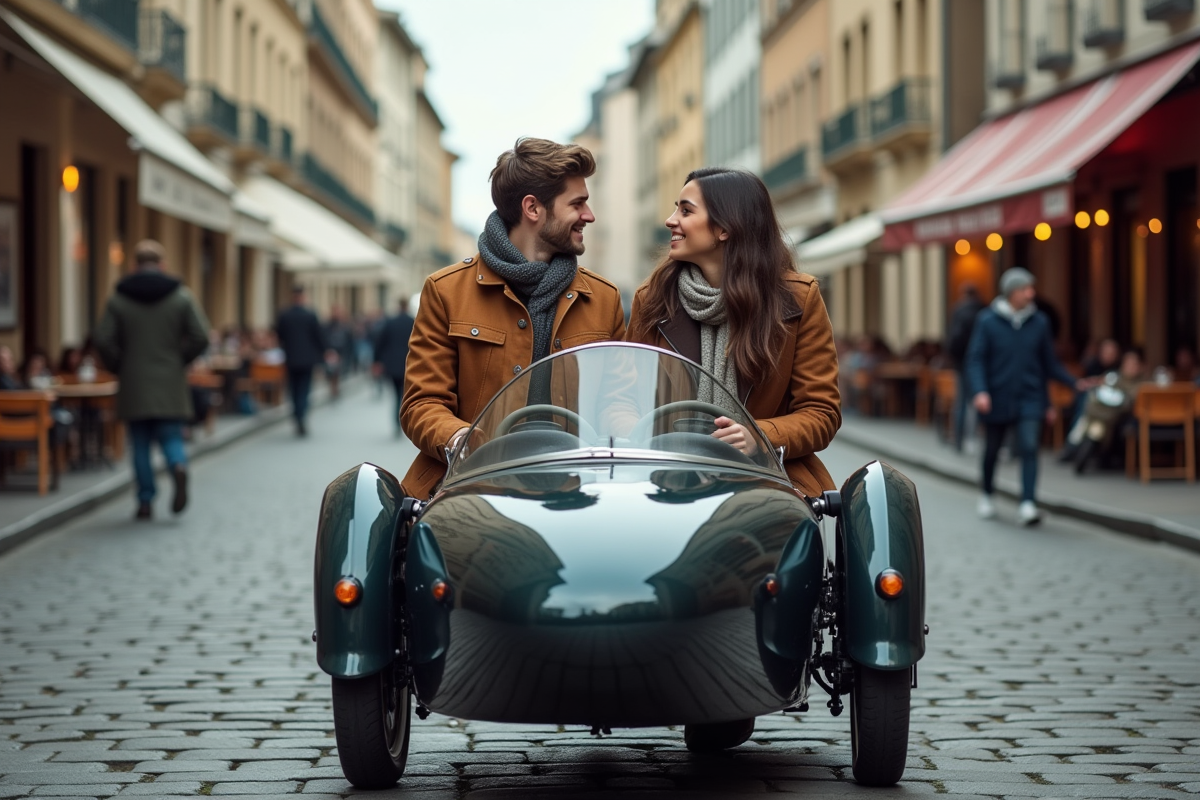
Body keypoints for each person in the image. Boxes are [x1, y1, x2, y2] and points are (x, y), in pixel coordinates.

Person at [400, 137, 626, 500]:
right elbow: (421, 403)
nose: (589, 215)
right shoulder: (445, 291)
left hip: (576, 492)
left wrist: (626, 431)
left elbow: (619, 398)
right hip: (470, 490)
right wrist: (461, 440)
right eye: (577, 203)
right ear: (533, 208)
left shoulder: (604, 298)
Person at [625, 167, 841, 498]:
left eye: (686, 211)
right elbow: (625, 397)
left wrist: (760, 435)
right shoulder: (652, 300)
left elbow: (821, 413)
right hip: (667, 477)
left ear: (725, 228)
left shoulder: (798, 299)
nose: (670, 221)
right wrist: (644, 444)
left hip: (769, 479)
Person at [93, 239, 210, 520]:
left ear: (134, 265)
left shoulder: (119, 299)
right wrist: (180, 360)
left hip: (134, 381)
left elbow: (102, 338)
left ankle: (145, 501)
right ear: (163, 265)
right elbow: (201, 335)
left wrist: (119, 364)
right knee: (171, 436)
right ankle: (177, 465)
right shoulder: (181, 297)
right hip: (170, 381)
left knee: (140, 443)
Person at [965, 267, 1082, 526]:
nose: (1031, 294)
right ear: (1011, 292)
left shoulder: (1039, 322)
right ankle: (987, 494)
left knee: (1029, 447)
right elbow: (976, 359)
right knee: (992, 449)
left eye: (1031, 289)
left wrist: (1073, 384)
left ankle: (1028, 503)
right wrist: (980, 391)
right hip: (996, 396)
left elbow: (1048, 364)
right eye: (1025, 289)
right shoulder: (988, 321)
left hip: (1030, 397)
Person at [275, 286, 333, 437]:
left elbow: (279, 336)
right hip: (307, 359)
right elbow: (319, 336)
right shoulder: (310, 315)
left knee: (293, 389)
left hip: (291, 359)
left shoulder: (285, 315)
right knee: (304, 389)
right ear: (303, 297)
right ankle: (301, 415)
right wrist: (326, 351)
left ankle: (297, 415)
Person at [944, 284, 985, 452]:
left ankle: (960, 439)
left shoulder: (959, 312)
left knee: (962, 402)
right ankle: (976, 438)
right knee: (980, 399)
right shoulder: (984, 311)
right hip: (982, 363)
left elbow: (955, 339)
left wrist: (954, 357)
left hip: (962, 363)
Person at [372, 297, 415, 437]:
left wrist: (376, 360)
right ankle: (403, 422)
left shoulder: (390, 322)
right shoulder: (413, 322)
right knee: (405, 395)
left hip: (392, 365)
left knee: (396, 395)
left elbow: (380, 342)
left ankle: (397, 422)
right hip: (409, 364)